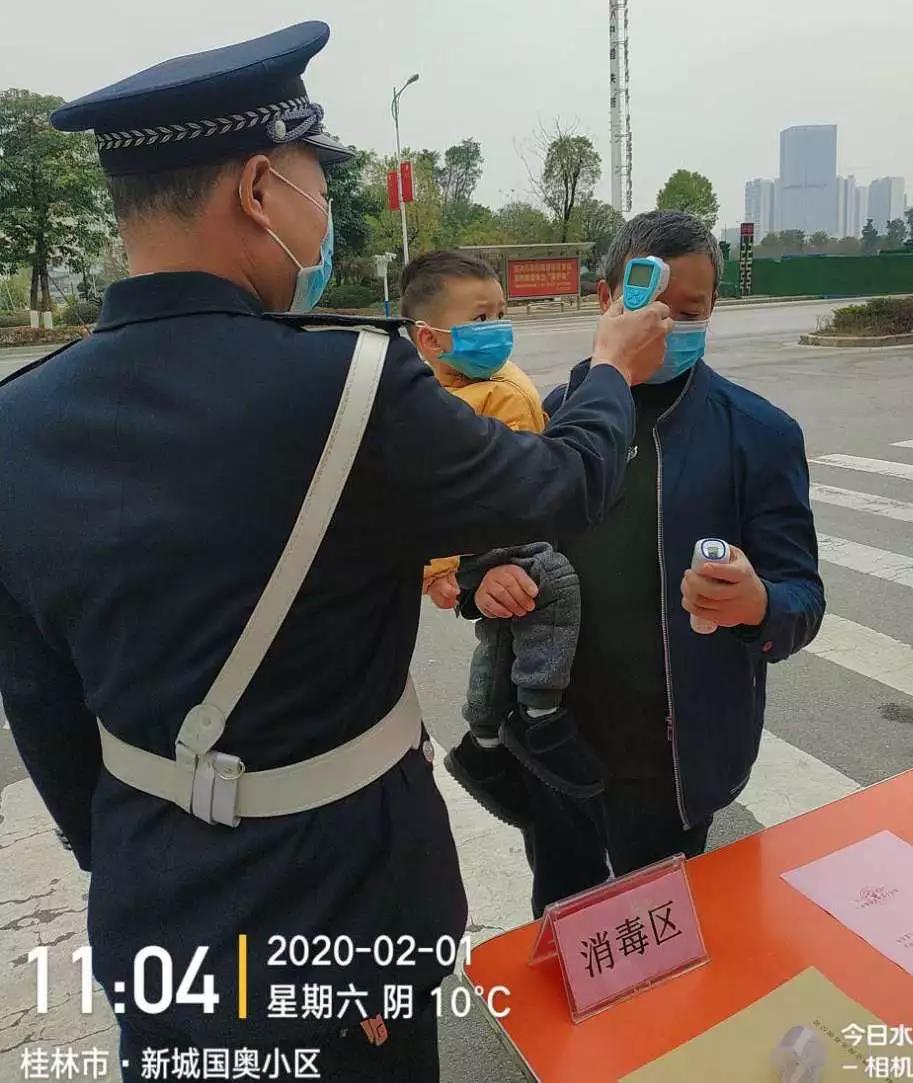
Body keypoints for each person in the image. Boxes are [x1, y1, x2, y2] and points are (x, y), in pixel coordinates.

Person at [0, 22, 674, 1081]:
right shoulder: (350, 388)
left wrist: (144, 844)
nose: (324, 214)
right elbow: (562, 484)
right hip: (344, 920)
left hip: (155, 911)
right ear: (259, 190)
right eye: (317, 182)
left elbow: (38, 702)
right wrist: (609, 372)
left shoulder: (16, 422)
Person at [467, 211, 825, 917]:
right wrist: (485, 580)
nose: (666, 326)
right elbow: (493, 547)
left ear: (713, 308)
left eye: (689, 312)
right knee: (563, 919)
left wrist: (757, 604)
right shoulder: (554, 420)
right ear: (607, 300)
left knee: (654, 936)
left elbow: (801, 600)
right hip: (552, 738)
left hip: (672, 763)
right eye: (649, 307)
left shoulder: (758, 435)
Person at [401, 251, 603, 819]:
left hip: (507, 522)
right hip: (481, 535)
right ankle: (540, 711)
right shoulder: (428, 407)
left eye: (500, 314)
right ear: (430, 338)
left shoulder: (490, 380)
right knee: (553, 583)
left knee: (504, 627)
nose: (497, 330)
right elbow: (422, 498)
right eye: (480, 319)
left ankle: (484, 739)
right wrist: (441, 573)